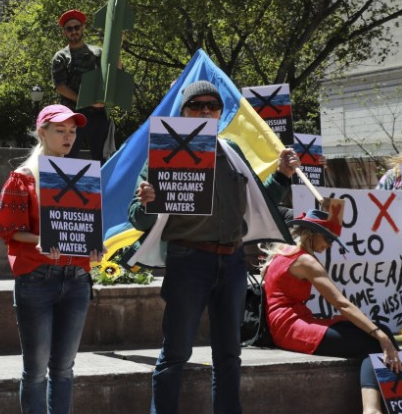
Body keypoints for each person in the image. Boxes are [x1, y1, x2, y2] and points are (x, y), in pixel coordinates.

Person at [127, 80, 299, 414]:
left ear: (220, 113)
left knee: (229, 354)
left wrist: (282, 175)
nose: (206, 111)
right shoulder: (164, 156)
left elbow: (259, 203)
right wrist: (148, 202)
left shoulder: (233, 153)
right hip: (188, 262)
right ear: (183, 113)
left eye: (213, 106)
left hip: (232, 263)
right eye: (197, 106)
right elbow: (136, 217)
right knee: (175, 353)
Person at [0, 104, 102, 414]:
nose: (68, 137)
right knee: (36, 371)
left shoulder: (83, 177)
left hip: (78, 279)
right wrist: (40, 240)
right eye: (60, 130)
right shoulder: (23, 177)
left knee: (64, 369)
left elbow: (87, 228)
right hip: (36, 279)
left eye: (72, 131)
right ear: (42, 132)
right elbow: (7, 229)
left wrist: (94, 247)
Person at [261, 210, 401, 414]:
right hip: (291, 328)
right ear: (310, 234)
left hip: (287, 325)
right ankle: (371, 410)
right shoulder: (306, 261)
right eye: (327, 238)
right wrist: (380, 336)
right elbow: (341, 303)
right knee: (377, 340)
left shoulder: (283, 250)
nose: (329, 245)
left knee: (379, 333)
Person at [50, 9, 116, 162]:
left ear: (83, 28)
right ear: (64, 32)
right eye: (69, 28)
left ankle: (102, 187)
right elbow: (60, 86)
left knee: (103, 160)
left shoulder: (98, 53)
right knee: (67, 158)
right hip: (71, 117)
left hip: (98, 115)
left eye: (77, 27)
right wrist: (83, 100)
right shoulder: (60, 57)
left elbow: (112, 76)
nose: (74, 31)